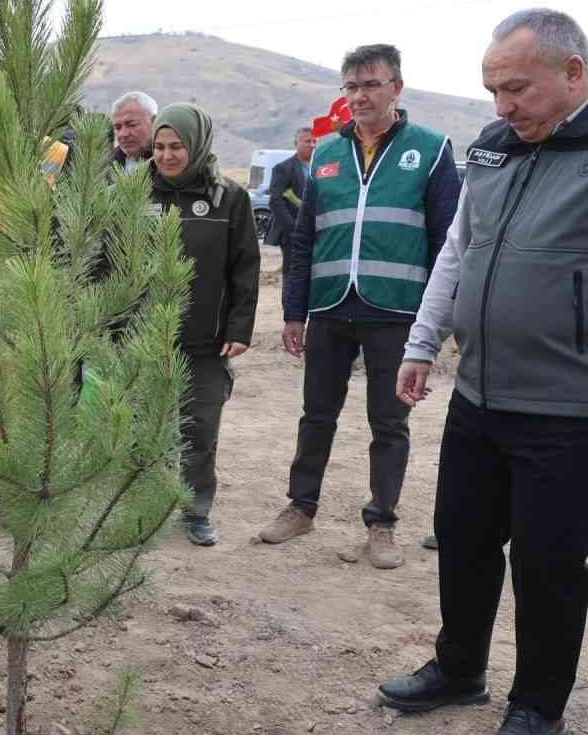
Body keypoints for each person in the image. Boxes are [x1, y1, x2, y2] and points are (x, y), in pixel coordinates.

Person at [379, 9, 588, 735]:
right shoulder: (494, 148)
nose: (502, 108)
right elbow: (459, 253)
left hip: (578, 403)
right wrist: (423, 343)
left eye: (516, 89)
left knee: (548, 563)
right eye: (493, 91)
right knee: (461, 539)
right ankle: (459, 671)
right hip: (482, 391)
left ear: (573, 73)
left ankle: (538, 706)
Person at [259, 44, 460, 569]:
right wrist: (293, 312)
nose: (360, 96)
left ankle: (382, 523)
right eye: (351, 86)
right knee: (316, 414)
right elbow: (303, 242)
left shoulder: (432, 150)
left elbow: (449, 245)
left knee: (389, 423)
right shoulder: (324, 155)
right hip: (328, 308)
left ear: (397, 86)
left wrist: (435, 323)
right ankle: (300, 508)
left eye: (371, 84)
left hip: (396, 313)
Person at [144, 104, 260, 545]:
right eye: (159, 146)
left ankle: (195, 511)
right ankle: (146, 511)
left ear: (197, 145)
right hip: (146, 338)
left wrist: (238, 328)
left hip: (206, 342)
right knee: (145, 430)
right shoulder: (135, 194)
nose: (168, 155)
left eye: (177, 146)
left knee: (199, 429)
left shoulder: (229, 198)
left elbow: (245, 268)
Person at [266, 128, 316, 283]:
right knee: (293, 275)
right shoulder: (283, 168)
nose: (312, 145)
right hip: (292, 235)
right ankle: (290, 307)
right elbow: (276, 201)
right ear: (296, 143)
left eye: (315, 141)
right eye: (308, 141)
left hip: (315, 233)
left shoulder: (320, 168)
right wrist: (294, 230)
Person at [110, 91, 158, 171]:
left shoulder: (169, 164)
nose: (123, 134)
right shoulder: (105, 169)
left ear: (154, 122)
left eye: (132, 125)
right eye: (118, 127)